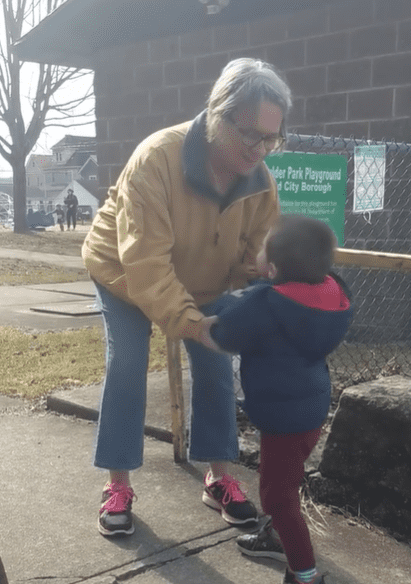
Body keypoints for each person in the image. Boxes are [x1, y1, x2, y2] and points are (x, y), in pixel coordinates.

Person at [82, 58, 292, 537]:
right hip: (124, 269)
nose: (261, 150)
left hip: (202, 276)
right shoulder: (156, 158)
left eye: (272, 139)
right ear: (219, 114)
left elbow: (250, 261)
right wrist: (194, 324)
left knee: (217, 365)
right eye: (252, 135)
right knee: (128, 364)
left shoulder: (260, 183)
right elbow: (147, 265)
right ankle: (118, 483)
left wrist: (259, 295)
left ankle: (218, 477)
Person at [207, 215, 353, 584]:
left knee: (277, 493)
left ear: (271, 267)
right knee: (286, 477)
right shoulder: (332, 292)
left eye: (263, 245)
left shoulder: (266, 302)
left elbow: (224, 329)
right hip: (310, 407)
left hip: (284, 416)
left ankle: (305, 580)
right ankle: (277, 537)